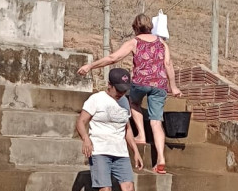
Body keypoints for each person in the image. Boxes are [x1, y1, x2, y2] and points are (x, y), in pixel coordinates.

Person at [77, 14, 181, 174]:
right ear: (151, 27)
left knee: (133, 102)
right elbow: (168, 64)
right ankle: (161, 158)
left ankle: (140, 134)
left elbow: (114, 58)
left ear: (135, 28)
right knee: (156, 122)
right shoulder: (162, 43)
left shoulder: (135, 42)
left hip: (140, 83)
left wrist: (91, 66)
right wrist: (173, 87)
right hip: (160, 84)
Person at [75, 67, 143, 191]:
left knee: (129, 188)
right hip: (100, 151)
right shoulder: (96, 99)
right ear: (109, 85)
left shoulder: (125, 102)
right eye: (118, 89)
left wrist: (135, 151)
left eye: (124, 90)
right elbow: (81, 122)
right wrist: (86, 140)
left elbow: (126, 128)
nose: (121, 93)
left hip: (120, 152)